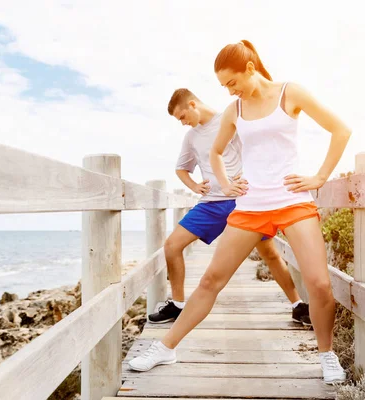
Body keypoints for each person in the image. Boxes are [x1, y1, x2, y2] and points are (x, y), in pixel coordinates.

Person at [129, 40, 352, 385]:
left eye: (231, 82)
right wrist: (225, 184)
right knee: (210, 281)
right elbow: (216, 153)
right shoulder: (234, 111)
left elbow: (341, 129)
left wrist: (320, 176)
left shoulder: (289, 93)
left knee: (320, 284)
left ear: (250, 68)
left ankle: (326, 354)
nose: (229, 91)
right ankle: (166, 348)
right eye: (223, 86)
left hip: (293, 201)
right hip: (250, 206)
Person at [145, 88, 311, 329]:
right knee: (172, 246)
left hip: (243, 201)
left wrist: (251, 178)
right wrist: (194, 185)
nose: (182, 123)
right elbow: (182, 168)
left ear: (192, 104)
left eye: (182, 117)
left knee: (270, 253)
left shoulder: (231, 116)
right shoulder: (191, 137)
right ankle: (178, 305)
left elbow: (258, 150)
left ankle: (298, 305)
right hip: (211, 204)